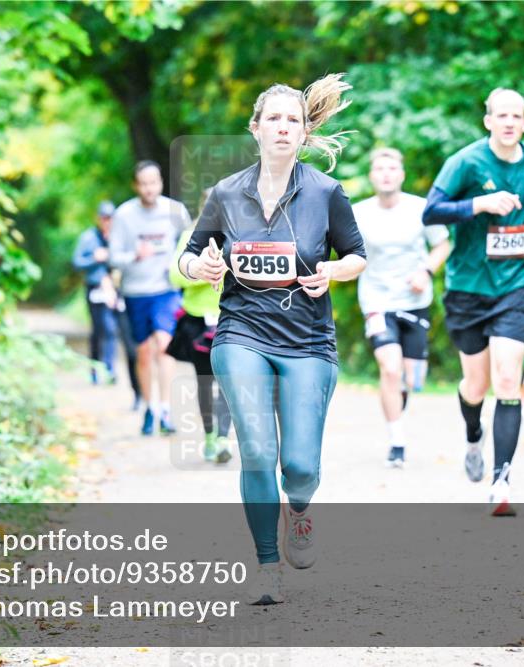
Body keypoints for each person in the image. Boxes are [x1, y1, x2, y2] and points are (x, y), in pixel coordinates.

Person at [177, 74, 367, 604]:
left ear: (304, 133)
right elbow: (188, 256)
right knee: (257, 451)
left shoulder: (327, 194)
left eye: (294, 120)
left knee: (300, 468)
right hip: (241, 332)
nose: (283, 128)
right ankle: (266, 567)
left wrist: (332, 273)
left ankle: (299, 511)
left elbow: (357, 256)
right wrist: (204, 265)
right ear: (256, 128)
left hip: (308, 340)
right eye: (274, 119)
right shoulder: (225, 194)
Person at [423, 88, 524, 516]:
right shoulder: (466, 161)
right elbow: (431, 212)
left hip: (520, 283)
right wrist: (478, 203)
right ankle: (472, 434)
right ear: (488, 121)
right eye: (502, 115)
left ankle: (502, 480)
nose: (509, 122)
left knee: (506, 379)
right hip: (468, 286)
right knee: (475, 385)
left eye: (517, 116)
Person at [352, 148, 451, 468]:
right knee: (390, 369)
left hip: (415, 301)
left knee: (412, 379)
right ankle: (397, 442)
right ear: (372, 176)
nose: (385, 174)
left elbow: (442, 244)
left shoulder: (422, 209)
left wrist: (426, 271)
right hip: (377, 301)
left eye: (391, 168)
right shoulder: (358, 213)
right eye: (379, 168)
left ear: (401, 174)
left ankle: (401, 394)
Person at [109, 161, 192, 436]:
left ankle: (167, 410)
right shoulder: (124, 215)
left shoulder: (175, 211)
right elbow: (113, 257)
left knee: (164, 345)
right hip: (136, 292)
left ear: (160, 183)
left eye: (153, 182)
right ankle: (150, 406)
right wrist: (134, 254)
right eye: (143, 183)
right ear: (135, 186)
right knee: (143, 353)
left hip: (166, 289)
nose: (149, 188)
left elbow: (191, 243)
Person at [167, 190, 233, 464]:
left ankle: (222, 438)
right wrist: (204, 272)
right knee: (205, 382)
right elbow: (174, 276)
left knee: (230, 380)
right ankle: (208, 436)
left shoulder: (235, 234)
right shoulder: (189, 236)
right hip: (196, 321)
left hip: (230, 317)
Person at [72, 201, 120, 385]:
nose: (107, 222)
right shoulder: (88, 238)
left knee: (111, 329)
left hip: (115, 290)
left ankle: (109, 369)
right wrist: (95, 258)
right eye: (104, 218)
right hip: (95, 289)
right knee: (99, 330)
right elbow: (77, 262)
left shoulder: (117, 238)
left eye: (110, 218)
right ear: (99, 219)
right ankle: (95, 369)